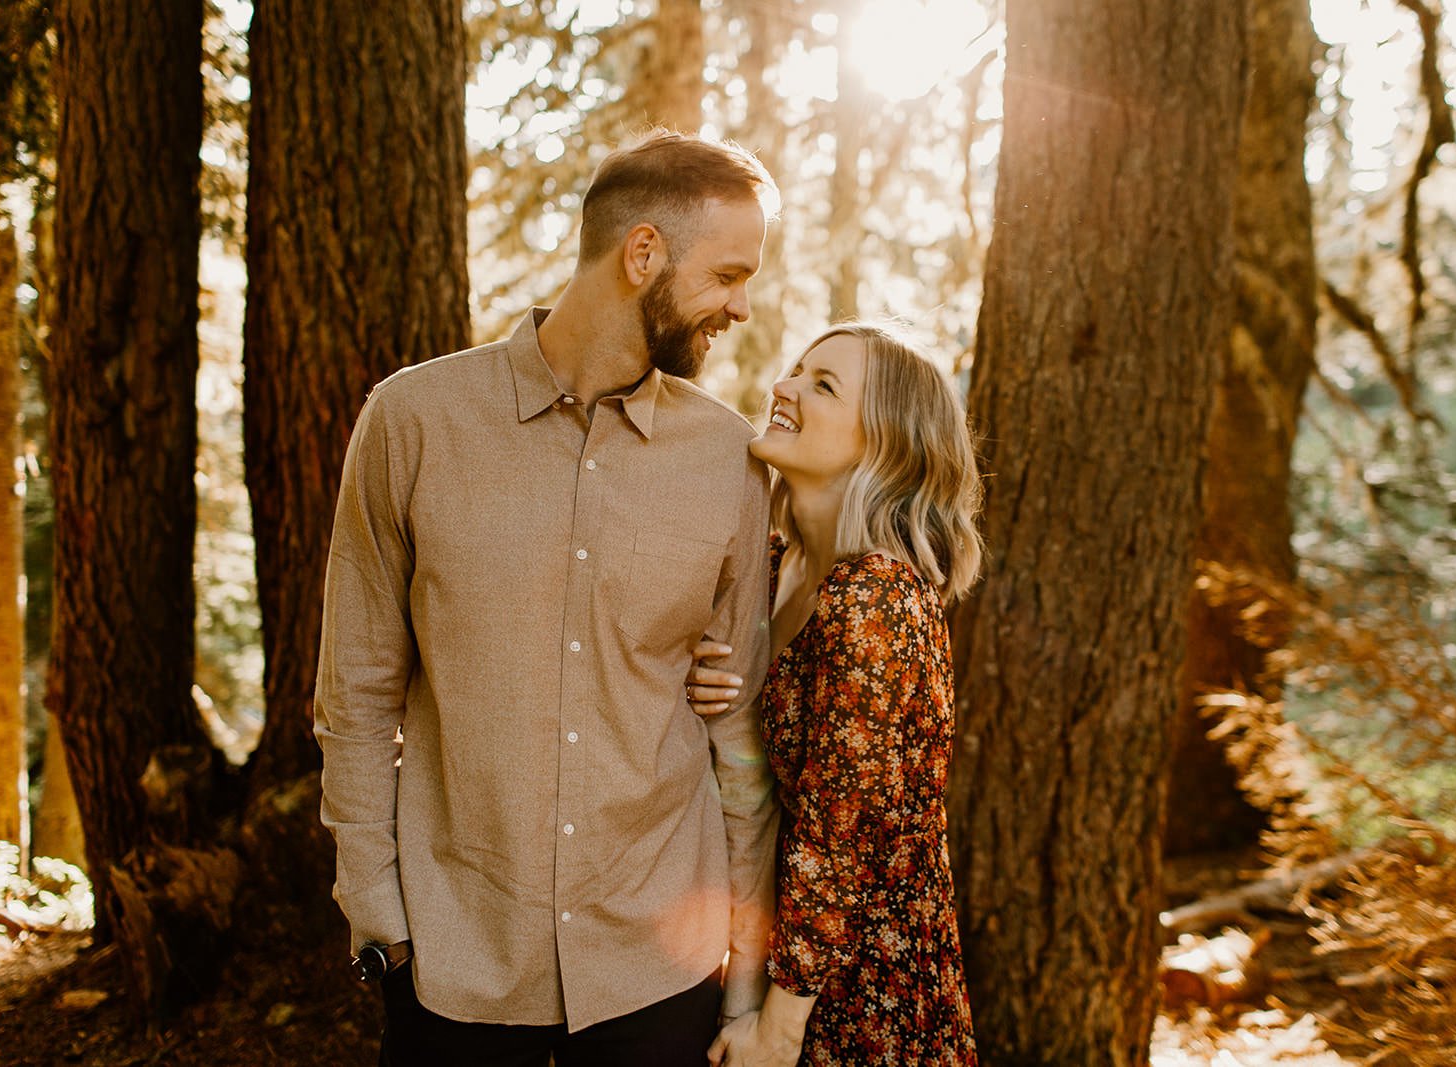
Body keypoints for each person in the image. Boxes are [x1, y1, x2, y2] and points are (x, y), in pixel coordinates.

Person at [313, 130, 781, 1066]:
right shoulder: (412, 422)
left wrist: (742, 975)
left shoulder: (730, 458)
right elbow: (356, 689)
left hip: (659, 962)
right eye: (728, 274)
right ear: (642, 253)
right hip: (455, 953)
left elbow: (740, 738)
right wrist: (379, 909)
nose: (740, 305)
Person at [688, 323, 983, 1066]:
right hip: (791, 960)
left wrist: (778, 1030)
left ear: (886, 444)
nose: (783, 389)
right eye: (796, 370)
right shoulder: (780, 565)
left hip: (860, 992)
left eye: (823, 386)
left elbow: (838, 838)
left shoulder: (874, 596)